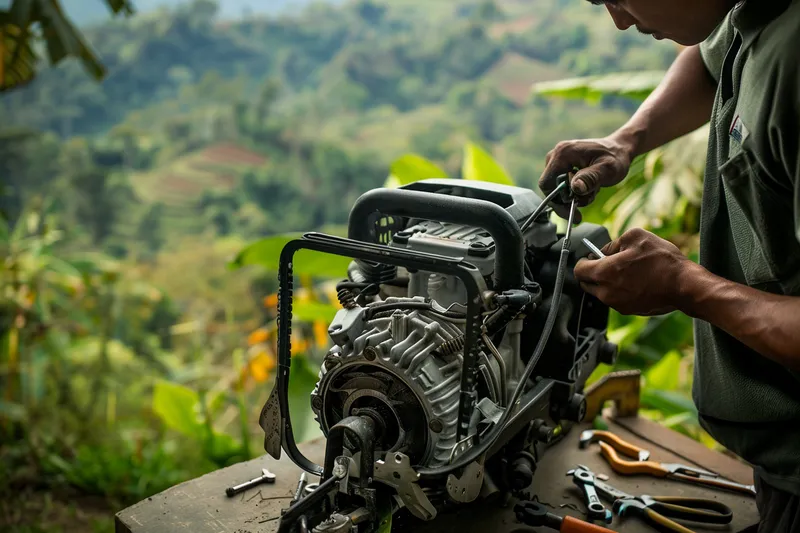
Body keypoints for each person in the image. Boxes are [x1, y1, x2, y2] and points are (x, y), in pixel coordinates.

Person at [537, 0, 800, 530]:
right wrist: (625, 141)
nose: (619, 19)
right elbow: (710, 59)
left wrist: (686, 285)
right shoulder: (754, 10)